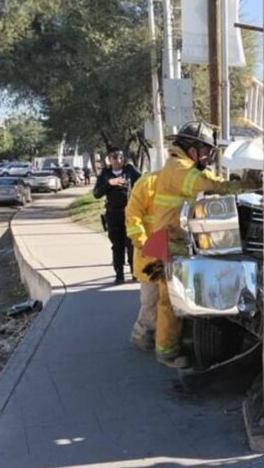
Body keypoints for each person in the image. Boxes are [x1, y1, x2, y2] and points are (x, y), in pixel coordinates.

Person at [151, 122, 231, 368]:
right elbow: (204, 184)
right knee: (168, 300)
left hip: (168, 238)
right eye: (205, 151)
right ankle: (166, 353)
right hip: (166, 241)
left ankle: (172, 341)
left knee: (172, 296)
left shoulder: (178, 165)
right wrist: (237, 185)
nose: (207, 156)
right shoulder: (179, 168)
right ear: (191, 149)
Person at [93, 148, 141, 284]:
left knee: (132, 244)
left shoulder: (130, 170)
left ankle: (135, 272)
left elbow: (143, 183)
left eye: (120, 157)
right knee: (117, 245)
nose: (118, 160)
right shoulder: (105, 174)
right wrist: (109, 183)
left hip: (129, 213)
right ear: (109, 159)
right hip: (113, 214)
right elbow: (96, 193)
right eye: (114, 157)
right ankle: (119, 274)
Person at [125, 171, 159, 351]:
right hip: (151, 253)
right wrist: (141, 242)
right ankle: (142, 334)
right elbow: (132, 215)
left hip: (173, 252)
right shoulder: (149, 183)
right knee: (151, 299)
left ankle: (160, 336)